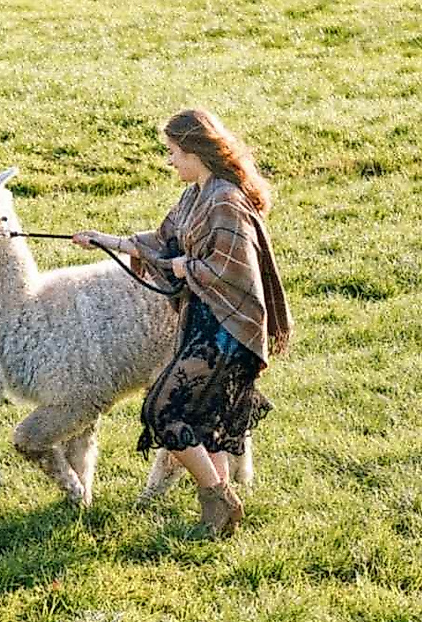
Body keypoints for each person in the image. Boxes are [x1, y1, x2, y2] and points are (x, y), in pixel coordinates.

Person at [71, 108, 292, 537]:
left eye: (173, 152)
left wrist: (182, 268)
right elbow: (163, 240)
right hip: (201, 321)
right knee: (208, 425)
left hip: (228, 330)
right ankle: (219, 521)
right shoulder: (196, 194)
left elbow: (232, 271)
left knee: (163, 412)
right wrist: (104, 241)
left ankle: (219, 498)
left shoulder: (225, 200)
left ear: (195, 151)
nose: (170, 161)